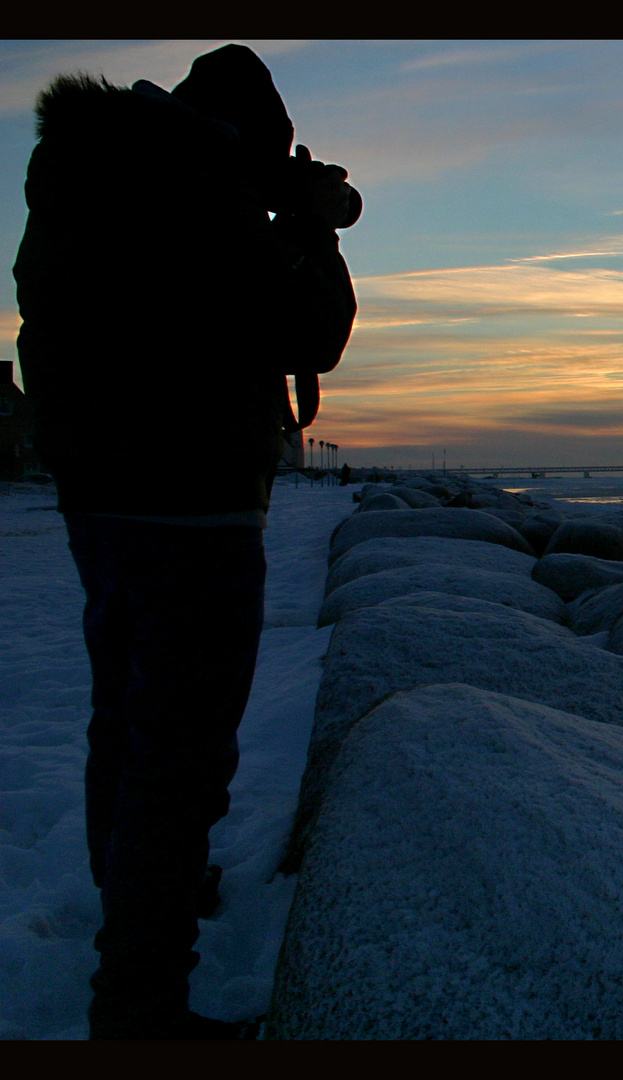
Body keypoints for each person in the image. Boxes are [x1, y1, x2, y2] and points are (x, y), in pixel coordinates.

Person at [12, 44, 358, 1039]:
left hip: (98, 496)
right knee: (180, 754)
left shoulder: (86, 171)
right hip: (194, 501)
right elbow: (307, 331)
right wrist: (307, 230)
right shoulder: (199, 191)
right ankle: (140, 1006)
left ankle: (136, 895)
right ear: (251, 141)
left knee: (123, 714)